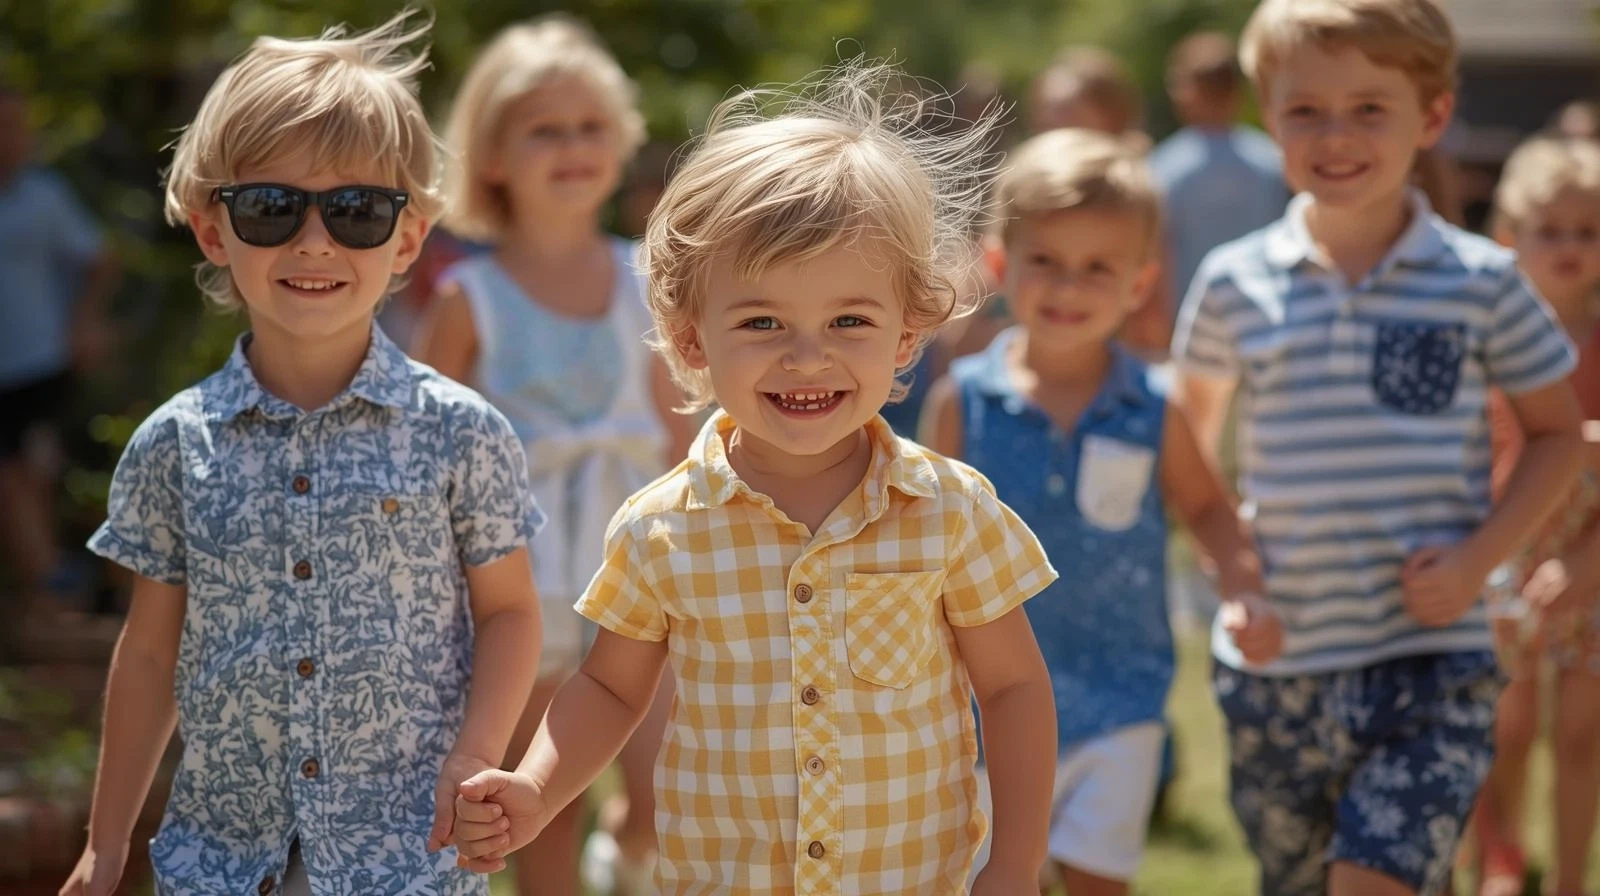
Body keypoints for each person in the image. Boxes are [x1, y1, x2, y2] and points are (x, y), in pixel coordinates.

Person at [447, 60, 1061, 895]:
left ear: (908, 334)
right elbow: (606, 689)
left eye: (850, 319)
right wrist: (536, 787)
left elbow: (1015, 686)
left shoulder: (950, 511)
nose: (808, 356)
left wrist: (1017, 863)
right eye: (763, 320)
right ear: (692, 340)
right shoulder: (660, 527)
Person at [57, 14, 544, 896]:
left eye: (356, 210)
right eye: (272, 208)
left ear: (405, 239)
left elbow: (511, 612)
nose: (314, 242)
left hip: (405, 861)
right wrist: (105, 843)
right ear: (214, 232)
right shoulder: (173, 443)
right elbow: (149, 655)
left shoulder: (461, 432)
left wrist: (477, 759)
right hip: (220, 862)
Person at [1171, 2, 1586, 895]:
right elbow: (1188, 458)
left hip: (1431, 660)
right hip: (1279, 669)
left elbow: (1557, 437)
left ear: (1430, 118)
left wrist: (1481, 560)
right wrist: (1237, 574)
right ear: (1266, 116)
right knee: (1303, 881)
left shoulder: (1481, 280)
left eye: (1369, 108)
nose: (1336, 135)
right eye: (1305, 110)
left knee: (1377, 880)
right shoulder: (1233, 283)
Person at [920, 127, 1283, 895]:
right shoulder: (966, 403)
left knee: (1097, 882)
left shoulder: (1154, 407)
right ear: (998, 264)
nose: (1067, 287)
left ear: (1140, 284)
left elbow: (1210, 509)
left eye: (1097, 269)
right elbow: (923, 538)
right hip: (983, 708)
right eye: (1044, 262)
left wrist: (1244, 586)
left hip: (1122, 697)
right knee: (987, 878)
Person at [416, 17, 694, 895]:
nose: (573, 147)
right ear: (493, 155)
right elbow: (426, 447)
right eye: (545, 129)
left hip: (640, 578)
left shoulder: (649, 278)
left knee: (664, 790)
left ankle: (630, 852)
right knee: (543, 804)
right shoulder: (471, 299)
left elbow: (684, 430)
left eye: (590, 127)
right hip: (526, 589)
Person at [1473, 134, 1600, 896]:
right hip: (1503, 554)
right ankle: (1498, 863)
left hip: (1590, 559)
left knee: (1582, 735)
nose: (1569, 248)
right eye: (1549, 230)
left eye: (1587, 231)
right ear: (1510, 237)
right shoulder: (1491, 339)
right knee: (1504, 730)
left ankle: (1571, 880)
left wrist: (1587, 565)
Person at [0, 86, 120, 620]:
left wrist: (86, 322)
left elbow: (99, 259)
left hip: (38, 362)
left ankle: (57, 597)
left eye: (18, 127)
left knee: (31, 475)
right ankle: (50, 595)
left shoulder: (43, 196)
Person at [1148, 31, 1288, 328]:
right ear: (1238, 91)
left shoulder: (1162, 168)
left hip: (1188, 323)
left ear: (1185, 92)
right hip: (1267, 316)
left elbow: (1156, 253)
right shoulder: (1274, 161)